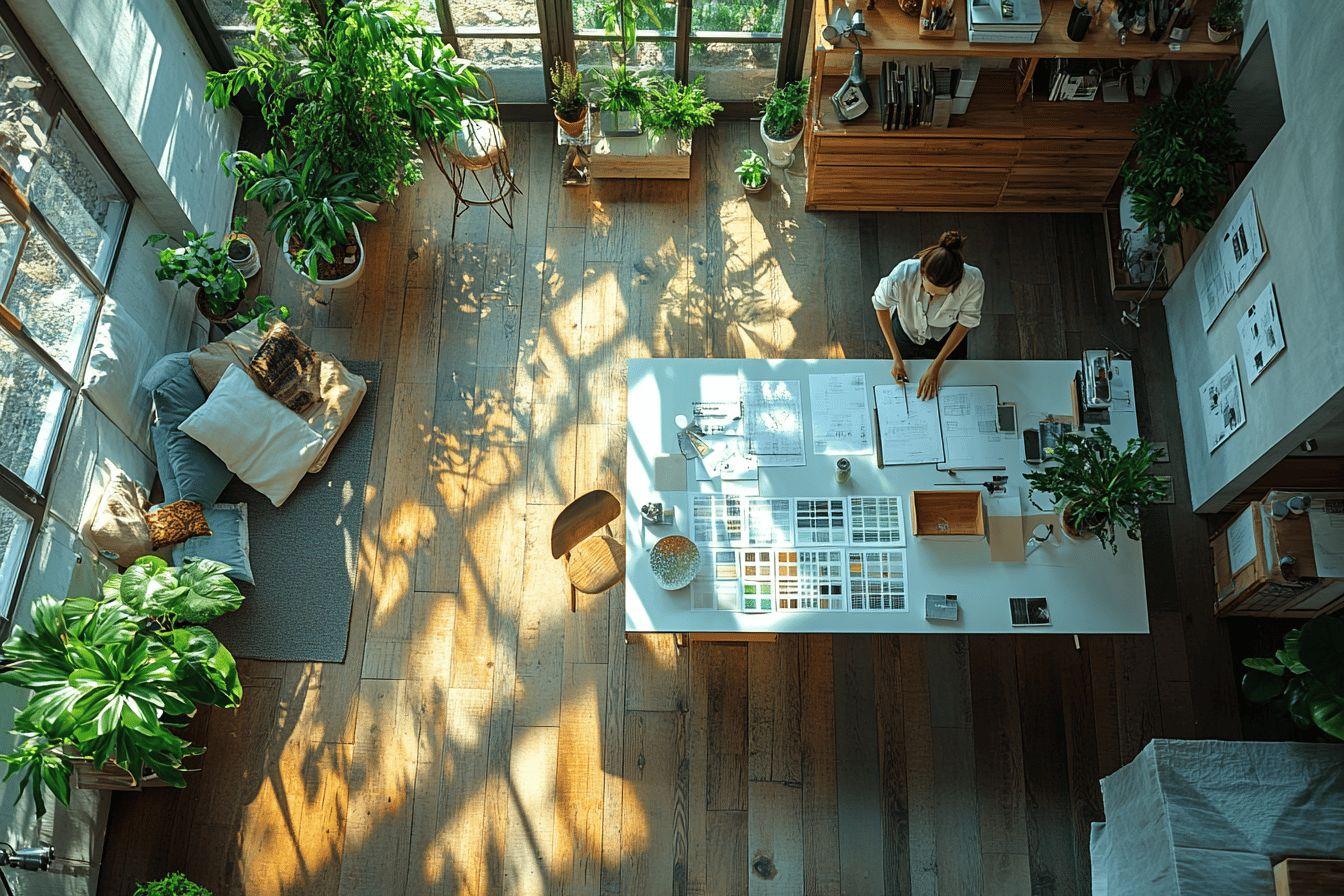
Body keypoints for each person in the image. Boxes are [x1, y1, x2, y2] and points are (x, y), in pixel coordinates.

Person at [871, 230, 984, 399]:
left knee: (953, 379)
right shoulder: (902, 274)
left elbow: (967, 321)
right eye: (928, 291)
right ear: (922, 273)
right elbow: (880, 305)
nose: (932, 297)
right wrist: (896, 357)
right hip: (906, 330)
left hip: (945, 335)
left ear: (955, 285)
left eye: (940, 295)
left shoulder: (973, 281)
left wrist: (937, 366)